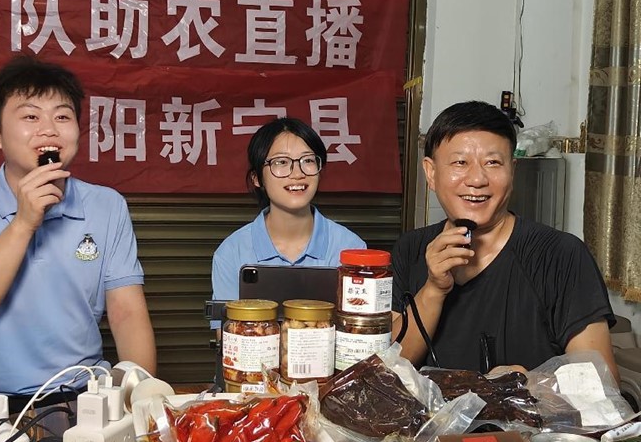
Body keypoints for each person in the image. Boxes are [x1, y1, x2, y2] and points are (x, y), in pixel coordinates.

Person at [0, 56, 156, 440]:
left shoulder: (107, 205)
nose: (49, 129)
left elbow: (127, 314)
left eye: (62, 116)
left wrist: (141, 400)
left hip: (81, 394)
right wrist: (23, 222)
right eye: (30, 117)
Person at [391, 101, 619, 382]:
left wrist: (529, 384)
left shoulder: (561, 255)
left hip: (529, 412)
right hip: (430, 413)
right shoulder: (411, 249)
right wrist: (434, 288)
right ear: (431, 173)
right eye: (460, 162)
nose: (477, 179)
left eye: (493, 163)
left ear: (512, 170)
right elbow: (390, 367)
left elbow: (603, 382)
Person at [212, 117, 366, 317]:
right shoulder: (231, 253)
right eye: (281, 162)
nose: (297, 173)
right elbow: (226, 331)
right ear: (257, 178)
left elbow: (361, 327)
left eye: (308, 160)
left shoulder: (351, 248)